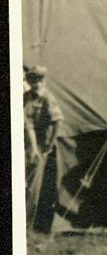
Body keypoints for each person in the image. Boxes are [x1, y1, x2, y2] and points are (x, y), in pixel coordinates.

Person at [24, 66, 63, 231]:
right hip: (27, 143)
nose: (37, 83)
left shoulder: (47, 98)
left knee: (32, 185)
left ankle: (26, 225)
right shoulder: (25, 97)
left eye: (40, 79)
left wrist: (48, 145)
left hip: (40, 145)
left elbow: (57, 122)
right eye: (33, 79)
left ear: (44, 81)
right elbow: (28, 124)